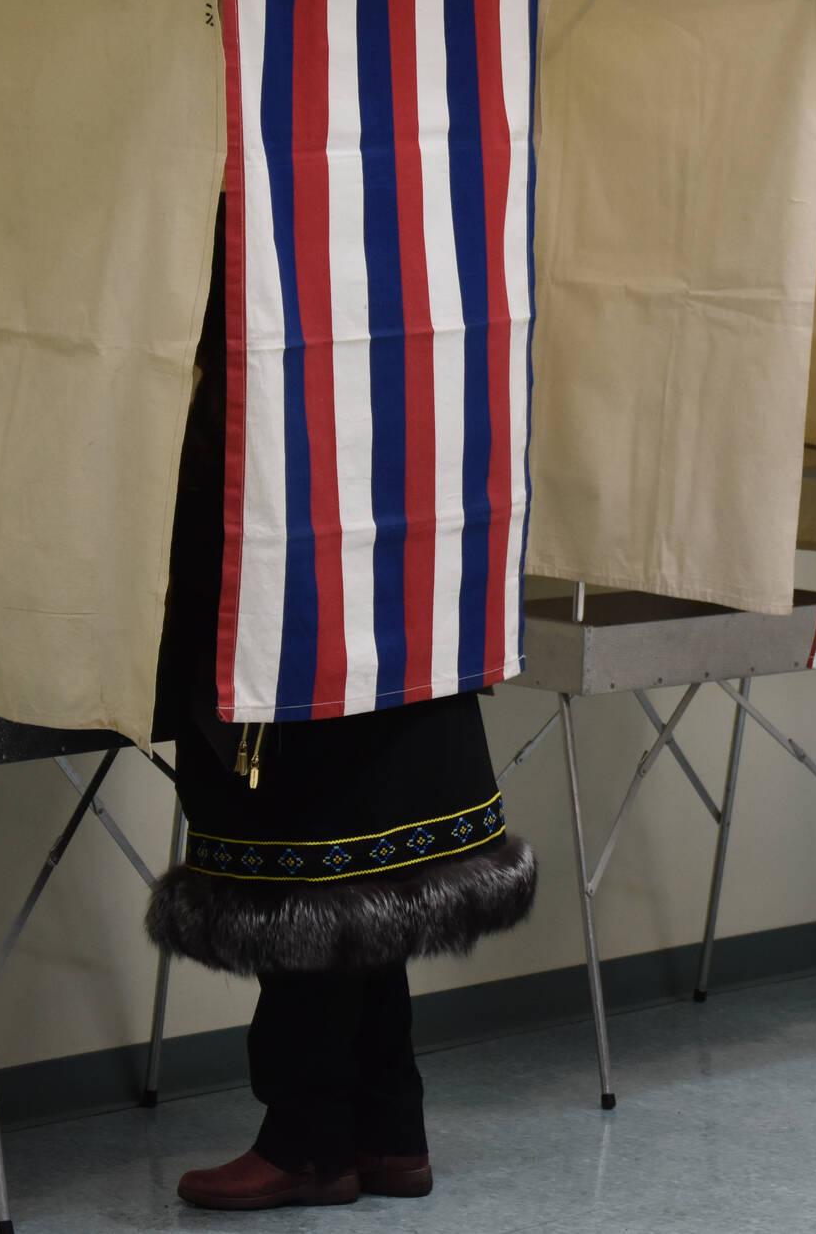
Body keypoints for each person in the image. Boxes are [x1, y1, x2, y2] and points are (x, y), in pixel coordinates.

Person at [145, 216, 538, 1208]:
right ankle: (386, 1129)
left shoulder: (264, 307)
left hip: (293, 628)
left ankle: (309, 1140)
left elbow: (216, 480)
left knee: (312, 878)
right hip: (402, 619)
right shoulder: (410, 256)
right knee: (366, 885)